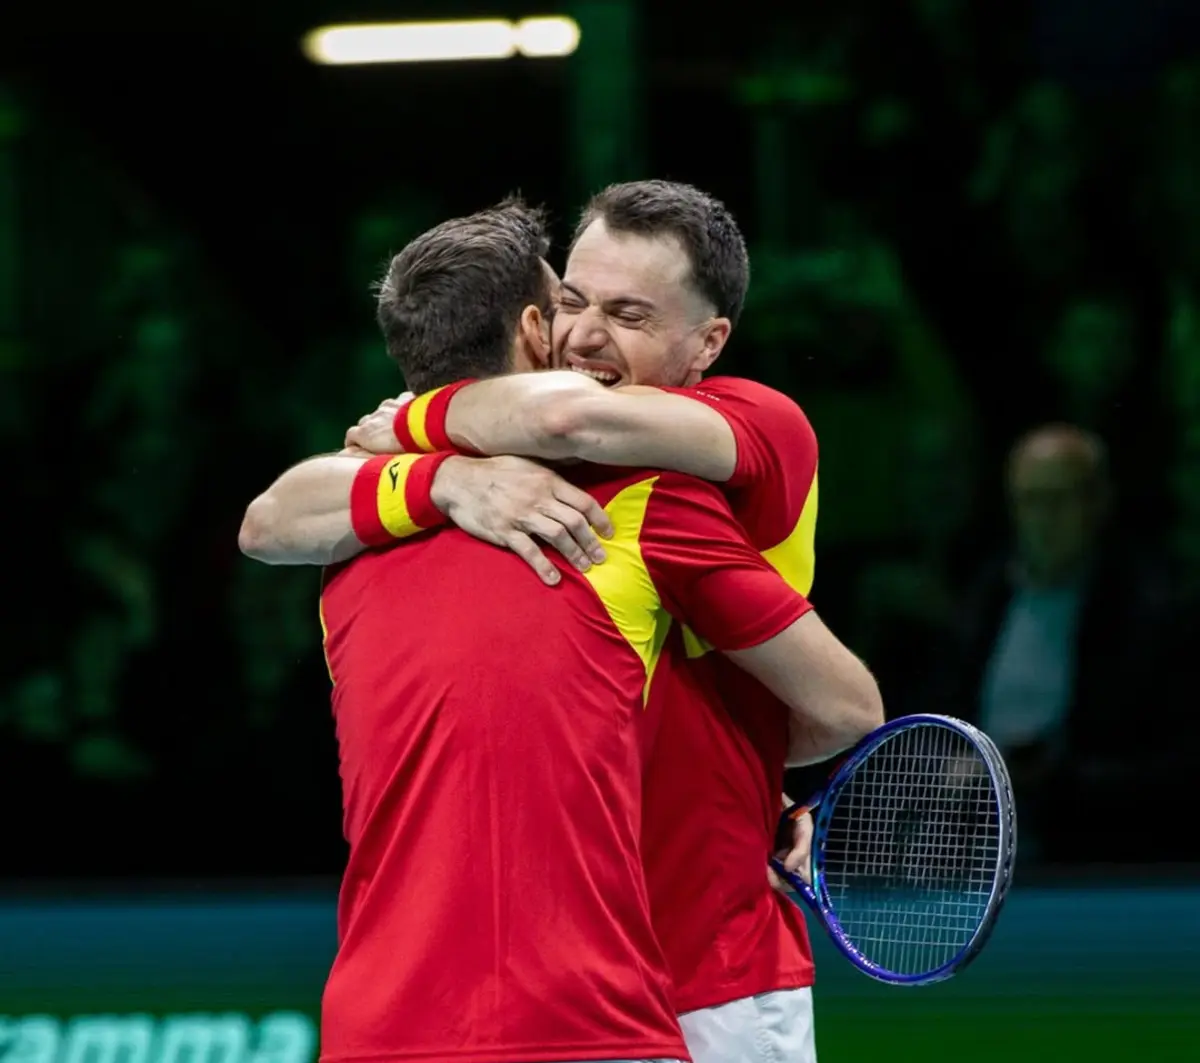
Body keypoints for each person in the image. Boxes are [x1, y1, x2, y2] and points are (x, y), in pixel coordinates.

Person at [242, 182, 863, 1062]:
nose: (584, 335)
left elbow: (566, 413)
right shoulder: (422, 498)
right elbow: (264, 521)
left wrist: (415, 426)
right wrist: (446, 478)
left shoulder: (737, 438)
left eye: (630, 314)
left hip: (710, 974)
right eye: (572, 301)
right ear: (540, 320)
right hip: (586, 982)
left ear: (707, 342)